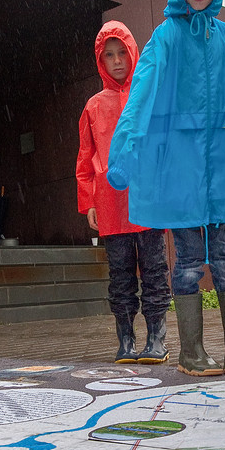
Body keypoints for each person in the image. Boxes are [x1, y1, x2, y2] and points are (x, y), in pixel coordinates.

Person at [107, 0, 225, 376]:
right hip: (185, 172)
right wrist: (124, 148)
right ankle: (191, 351)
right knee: (188, 260)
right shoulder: (165, 37)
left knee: (224, 257)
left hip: (221, 172)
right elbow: (141, 93)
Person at [76, 21, 172, 363]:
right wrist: (89, 202)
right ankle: (126, 338)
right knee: (119, 273)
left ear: (133, 53)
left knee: (155, 269)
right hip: (110, 202)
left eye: (122, 53)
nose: (117, 61)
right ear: (100, 61)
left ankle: (157, 337)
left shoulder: (150, 95)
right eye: (109, 55)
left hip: (148, 200)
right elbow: (85, 158)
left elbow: (165, 146)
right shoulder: (92, 106)